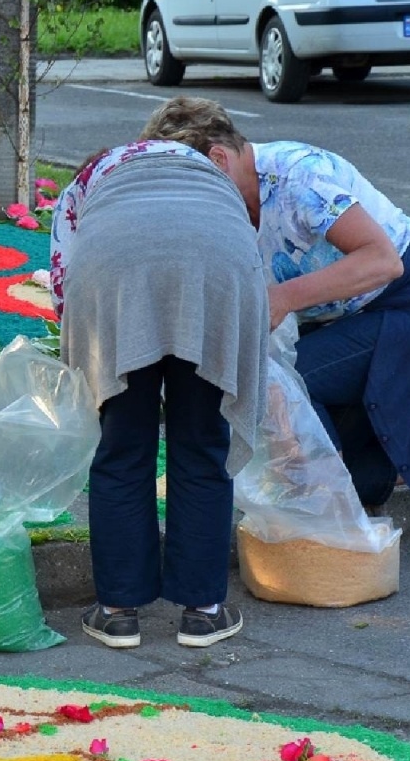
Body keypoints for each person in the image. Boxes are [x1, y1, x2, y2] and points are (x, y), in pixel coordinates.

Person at [141, 97, 410, 543]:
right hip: (355, 314)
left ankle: (356, 507)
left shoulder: (299, 176)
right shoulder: (233, 195)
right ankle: (359, 489)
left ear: (218, 158)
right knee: (359, 477)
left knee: (293, 382)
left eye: (191, 183)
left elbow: (384, 261)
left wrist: (284, 298)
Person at [51, 140, 269, 649]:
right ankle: (204, 612)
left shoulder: (94, 175)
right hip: (216, 267)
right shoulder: (211, 176)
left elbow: (63, 273)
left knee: (122, 446)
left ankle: (116, 612)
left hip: (114, 270)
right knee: (202, 444)